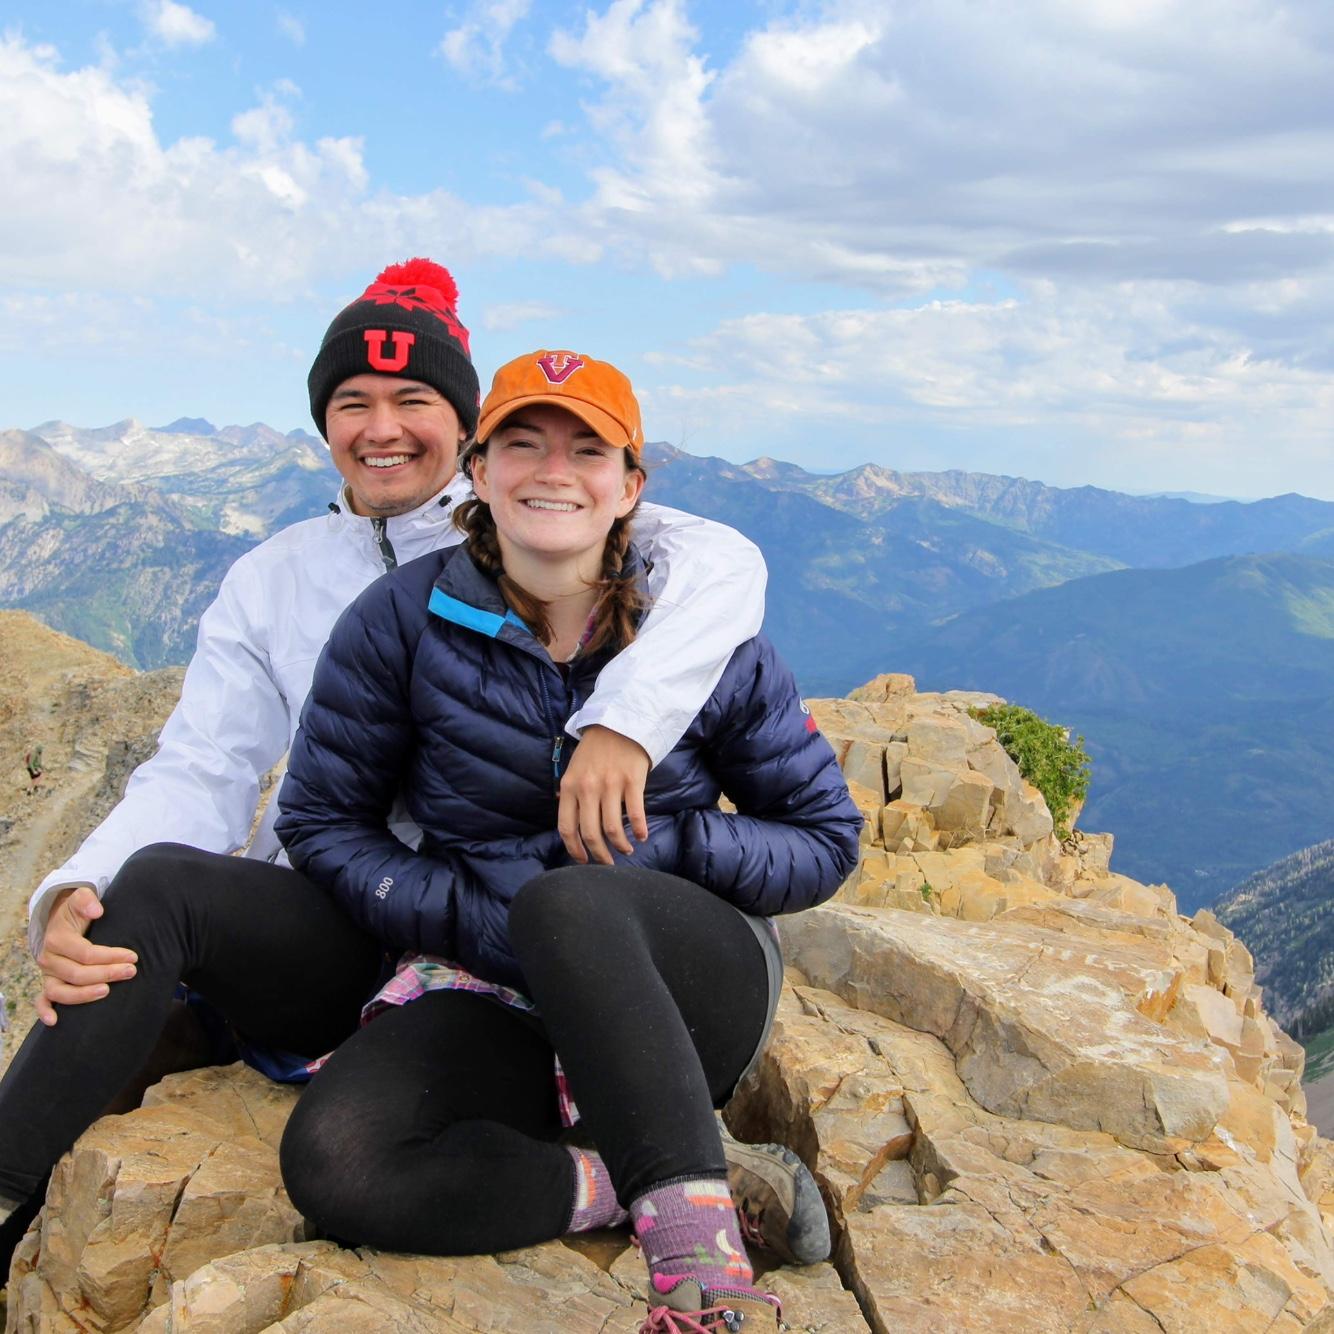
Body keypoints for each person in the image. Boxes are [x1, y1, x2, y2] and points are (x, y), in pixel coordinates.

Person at [0, 261, 768, 1268]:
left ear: (468, 433)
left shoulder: (532, 520)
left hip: (509, 937)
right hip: (353, 915)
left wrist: (622, 723)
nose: (381, 428)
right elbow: (203, 765)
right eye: (352, 402)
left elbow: (726, 564)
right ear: (323, 420)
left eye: (414, 400)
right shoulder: (273, 576)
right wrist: (78, 888)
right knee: (145, 889)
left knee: (349, 1128)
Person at [274, 350, 862, 1333]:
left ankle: (701, 1275)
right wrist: (462, 915)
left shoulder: (700, 639)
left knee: (573, 898)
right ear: (478, 470)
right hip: (497, 980)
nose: (554, 471)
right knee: (341, 1160)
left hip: (683, 985)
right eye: (522, 444)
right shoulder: (403, 619)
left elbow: (825, 838)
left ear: (629, 485)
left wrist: (673, 845)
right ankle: (626, 1180)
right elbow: (319, 818)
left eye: (587, 450)